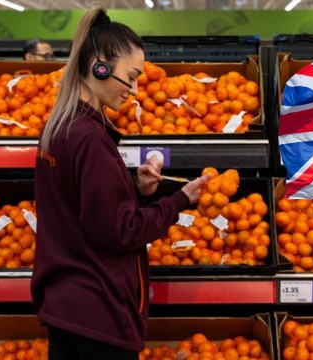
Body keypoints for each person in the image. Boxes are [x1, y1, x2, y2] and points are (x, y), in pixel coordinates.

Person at [30, 5, 210, 360]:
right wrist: (180, 201)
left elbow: (79, 207)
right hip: (99, 310)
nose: (136, 88)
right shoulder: (91, 138)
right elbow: (121, 231)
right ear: (101, 66)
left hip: (64, 304)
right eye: (132, 75)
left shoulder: (58, 127)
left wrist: (135, 190)